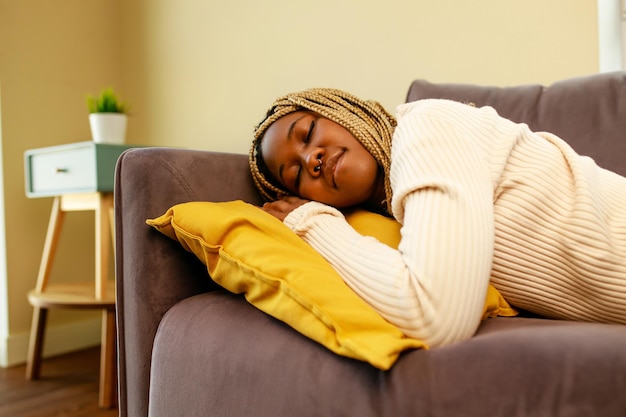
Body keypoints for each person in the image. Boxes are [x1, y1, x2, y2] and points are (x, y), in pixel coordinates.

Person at [248, 88, 626, 347]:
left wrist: (312, 223)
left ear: (344, 111)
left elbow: (435, 316)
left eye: (309, 131)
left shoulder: (426, 128)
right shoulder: (401, 212)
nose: (310, 158)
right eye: (295, 174)